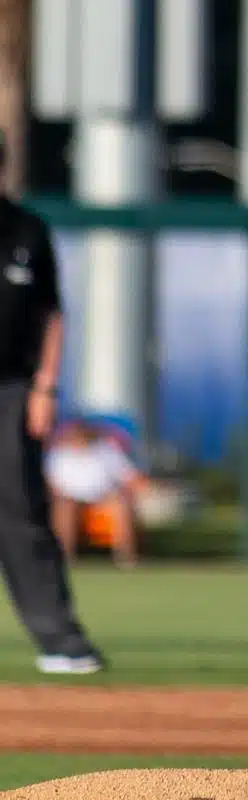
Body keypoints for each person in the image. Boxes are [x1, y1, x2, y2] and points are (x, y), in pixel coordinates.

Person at [0, 135, 106, 673]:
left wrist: (46, 387)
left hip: (11, 388)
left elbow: (52, 315)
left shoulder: (26, 231)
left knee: (21, 511)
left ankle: (59, 639)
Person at [44, 417, 146, 569]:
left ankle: (126, 558)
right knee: (65, 507)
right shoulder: (59, 455)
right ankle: (65, 558)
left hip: (103, 499)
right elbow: (49, 483)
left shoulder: (107, 452)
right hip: (69, 500)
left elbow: (131, 478)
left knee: (120, 505)